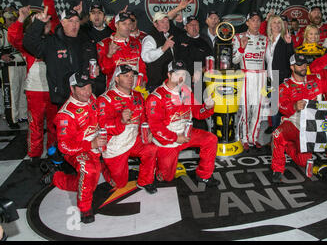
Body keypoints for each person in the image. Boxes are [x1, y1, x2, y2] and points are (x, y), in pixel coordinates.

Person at [40, 72, 107, 223]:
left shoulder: (92, 98)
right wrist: (91, 144)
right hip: (76, 150)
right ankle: (84, 210)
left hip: (94, 146)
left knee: (90, 184)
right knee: (88, 170)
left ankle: (56, 177)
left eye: (89, 87)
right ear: (72, 89)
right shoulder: (65, 114)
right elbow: (64, 146)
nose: (87, 91)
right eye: (82, 88)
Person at [271, 51, 327, 183]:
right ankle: (277, 169)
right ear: (292, 67)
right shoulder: (284, 87)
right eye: (299, 65)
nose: (303, 67)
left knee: (312, 159)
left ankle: (291, 147)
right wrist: (294, 106)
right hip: (294, 123)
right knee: (277, 134)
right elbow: (280, 107)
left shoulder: (315, 80)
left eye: (305, 64)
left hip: (316, 125)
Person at [146, 60, 219, 186]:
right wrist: (175, 137)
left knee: (210, 139)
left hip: (186, 133)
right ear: (169, 75)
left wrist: (207, 107)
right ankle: (154, 163)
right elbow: (156, 127)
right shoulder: (156, 97)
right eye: (177, 74)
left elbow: (198, 113)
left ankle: (204, 175)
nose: (181, 77)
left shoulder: (186, 91)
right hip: (168, 140)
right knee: (165, 178)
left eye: (184, 74)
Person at [7, 4, 58, 164]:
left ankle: (53, 151)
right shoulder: (27, 43)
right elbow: (13, 38)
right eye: (39, 22)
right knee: (35, 124)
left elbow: (57, 21)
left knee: (54, 124)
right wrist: (21, 18)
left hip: (53, 90)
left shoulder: (55, 41)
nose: (44, 24)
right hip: (34, 92)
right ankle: (34, 154)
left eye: (46, 22)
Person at [97, 65, 158, 194]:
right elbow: (103, 126)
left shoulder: (138, 96)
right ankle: (104, 166)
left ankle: (145, 181)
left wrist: (148, 132)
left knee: (151, 148)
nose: (130, 79)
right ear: (117, 79)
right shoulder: (105, 99)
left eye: (132, 76)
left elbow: (144, 119)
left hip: (133, 138)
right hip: (115, 143)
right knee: (120, 184)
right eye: (126, 76)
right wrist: (120, 120)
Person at [23, 4, 96, 108]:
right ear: (62, 22)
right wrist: (38, 23)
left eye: (76, 21)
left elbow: (93, 63)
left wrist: (94, 70)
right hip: (63, 95)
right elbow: (28, 43)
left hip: (84, 94)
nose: (74, 24)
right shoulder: (51, 43)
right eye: (70, 21)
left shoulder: (86, 41)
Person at [232, 11, 269, 150]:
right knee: (246, 110)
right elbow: (234, 59)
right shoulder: (239, 37)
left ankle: (253, 138)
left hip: (261, 77)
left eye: (258, 20)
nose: (256, 23)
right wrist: (242, 47)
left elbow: (268, 59)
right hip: (246, 76)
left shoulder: (265, 39)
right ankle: (243, 138)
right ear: (247, 22)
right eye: (253, 20)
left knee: (258, 110)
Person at [97, 12, 148, 89]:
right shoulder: (104, 44)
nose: (127, 27)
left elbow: (142, 66)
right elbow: (105, 71)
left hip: (136, 89)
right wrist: (109, 55)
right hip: (115, 91)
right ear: (116, 25)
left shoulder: (137, 42)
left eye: (129, 24)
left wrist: (143, 80)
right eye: (124, 24)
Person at [265, 15, 294, 132]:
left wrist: (289, 44)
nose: (277, 25)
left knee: (278, 105)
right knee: (272, 104)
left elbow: (291, 58)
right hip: (269, 78)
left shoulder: (284, 39)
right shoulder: (267, 40)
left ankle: (277, 130)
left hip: (280, 77)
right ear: (270, 25)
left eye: (279, 23)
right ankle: (274, 127)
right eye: (274, 22)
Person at [1, 9, 27, 129]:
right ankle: (12, 118)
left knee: (22, 92)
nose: (12, 21)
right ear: (4, 20)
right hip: (9, 67)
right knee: (11, 93)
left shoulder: (20, 31)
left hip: (22, 65)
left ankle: (22, 115)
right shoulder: (2, 33)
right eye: (10, 19)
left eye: (14, 19)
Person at [80, 3, 113, 96]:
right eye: (93, 13)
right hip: (89, 80)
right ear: (89, 17)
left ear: (104, 16)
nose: (96, 15)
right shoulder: (83, 32)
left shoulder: (112, 34)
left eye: (99, 12)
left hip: (108, 79)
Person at [141, 12, 179, 92]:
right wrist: (163, 48)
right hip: (155, 85)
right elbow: (145, 57)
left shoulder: (168, 36)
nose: (165, 24)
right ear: (155, 24)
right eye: (162, 22)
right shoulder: (150, 38)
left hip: (167, 83)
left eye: (167, 21)